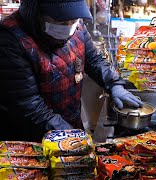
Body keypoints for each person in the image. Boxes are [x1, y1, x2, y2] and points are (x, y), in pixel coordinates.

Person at [0, 0, 143, 142]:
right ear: (36, 13)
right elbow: (28, 105)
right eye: (61, 21)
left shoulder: (76, 26)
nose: (69, 27)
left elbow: (94, 59)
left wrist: (113, 83)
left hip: (69, 129)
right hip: (30, 141)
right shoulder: (11, 39)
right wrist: (70, 134)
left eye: (73, 20)